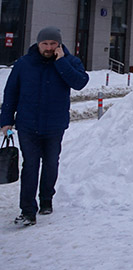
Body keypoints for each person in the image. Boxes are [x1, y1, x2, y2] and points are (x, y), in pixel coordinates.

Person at [0, 26, 89, 226]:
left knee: (51, 163)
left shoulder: (69, 62)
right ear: (38, 43)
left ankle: (46, 199)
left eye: (53, 44)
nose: (48, 47)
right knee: (30, 165)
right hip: (27, 125)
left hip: (54, 125)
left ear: (59, 44)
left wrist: (61, 62)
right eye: (45, 44)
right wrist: (6, 120)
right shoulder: (24, 64)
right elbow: (11, 92)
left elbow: (80, 82)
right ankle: (27, 212)